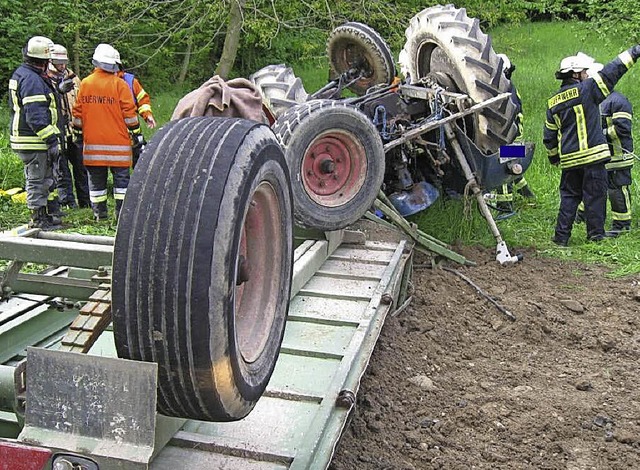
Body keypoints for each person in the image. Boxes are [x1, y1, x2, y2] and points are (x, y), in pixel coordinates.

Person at [544, 47, 640, 246]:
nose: (588, 74)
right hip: (593, 157)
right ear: (576, 74)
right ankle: (595, 236)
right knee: (595, 196)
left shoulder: (552, 102)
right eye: (585, 72)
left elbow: (549, 136)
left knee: (569, 198)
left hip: (569, 161)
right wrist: (635, 51)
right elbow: (614, 69)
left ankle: (561, 238)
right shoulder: (587, 88)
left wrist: (554, 157)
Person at [72, 43, 140, 221]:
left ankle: (99, 215)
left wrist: (78, 135)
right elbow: (130, 115)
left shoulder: (85, 84)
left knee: (96, 184)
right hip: (119, 147)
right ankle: (122, 216)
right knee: (122, 183)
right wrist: (137, 133)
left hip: (93, 147)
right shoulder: (120, 85)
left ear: (96, 63)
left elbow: (77, 114)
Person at [8, 36, 62, 230]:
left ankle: (44, 216)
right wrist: (51, 139)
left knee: (43, 178)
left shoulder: (26, 74)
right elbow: (36, 116)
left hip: (30, 139)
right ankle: (37, 219)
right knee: (37, 180)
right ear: (45, 60)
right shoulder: (32, 79)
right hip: (33, 140)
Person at [575, 63, 634, 236]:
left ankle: (622, 224)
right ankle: (581, 216)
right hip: (600, 155)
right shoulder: (597, 101)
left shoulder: (618, 101)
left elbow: (622, 129)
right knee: (592, 186)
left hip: (618, 156)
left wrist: (598, 133)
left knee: (617, 189)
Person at [47, 44, 91, 209]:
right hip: (58, 131)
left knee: (81, 168)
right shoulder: (45, 80)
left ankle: (85, 202)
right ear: (50, 60)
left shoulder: (74, 78)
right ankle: (68, 203)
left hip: (76, 131)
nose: (62, 66)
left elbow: (82, 103)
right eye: (59, 62)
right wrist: (58, 91)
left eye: (64, 62)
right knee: (61, 170)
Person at [491, 53, 535, 214]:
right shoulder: (510, 87)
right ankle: (526, 193)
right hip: (516, 139)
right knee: (513, 165)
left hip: (509, 139)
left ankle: (505, 206)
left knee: (503, 168)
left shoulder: (505, 89)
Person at [113, 48, 156, 168]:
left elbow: (142, 99)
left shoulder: (130, 82)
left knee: (140, 159)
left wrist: (147, 115)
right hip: (111, 131)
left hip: (131, 131)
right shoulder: (100, 83)